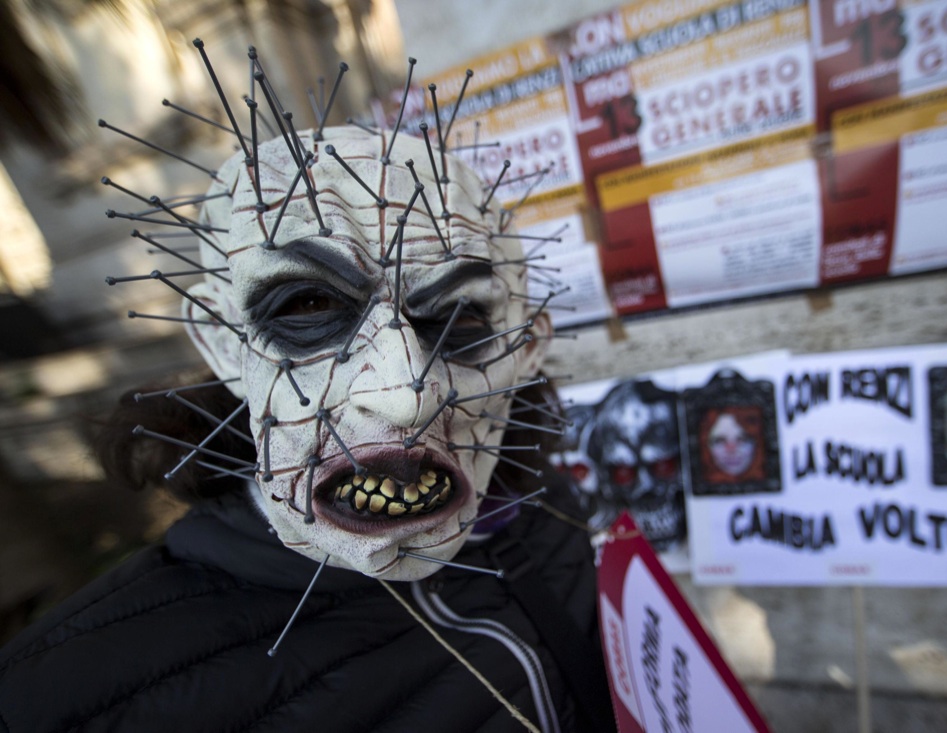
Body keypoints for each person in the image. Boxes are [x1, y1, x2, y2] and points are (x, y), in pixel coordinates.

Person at [0, 92, 614, 731]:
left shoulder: (554, 523)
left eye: (458, 315)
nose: (405, 392)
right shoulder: (55, 702)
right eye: (307, 308)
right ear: (221, 341)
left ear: (525, 345)